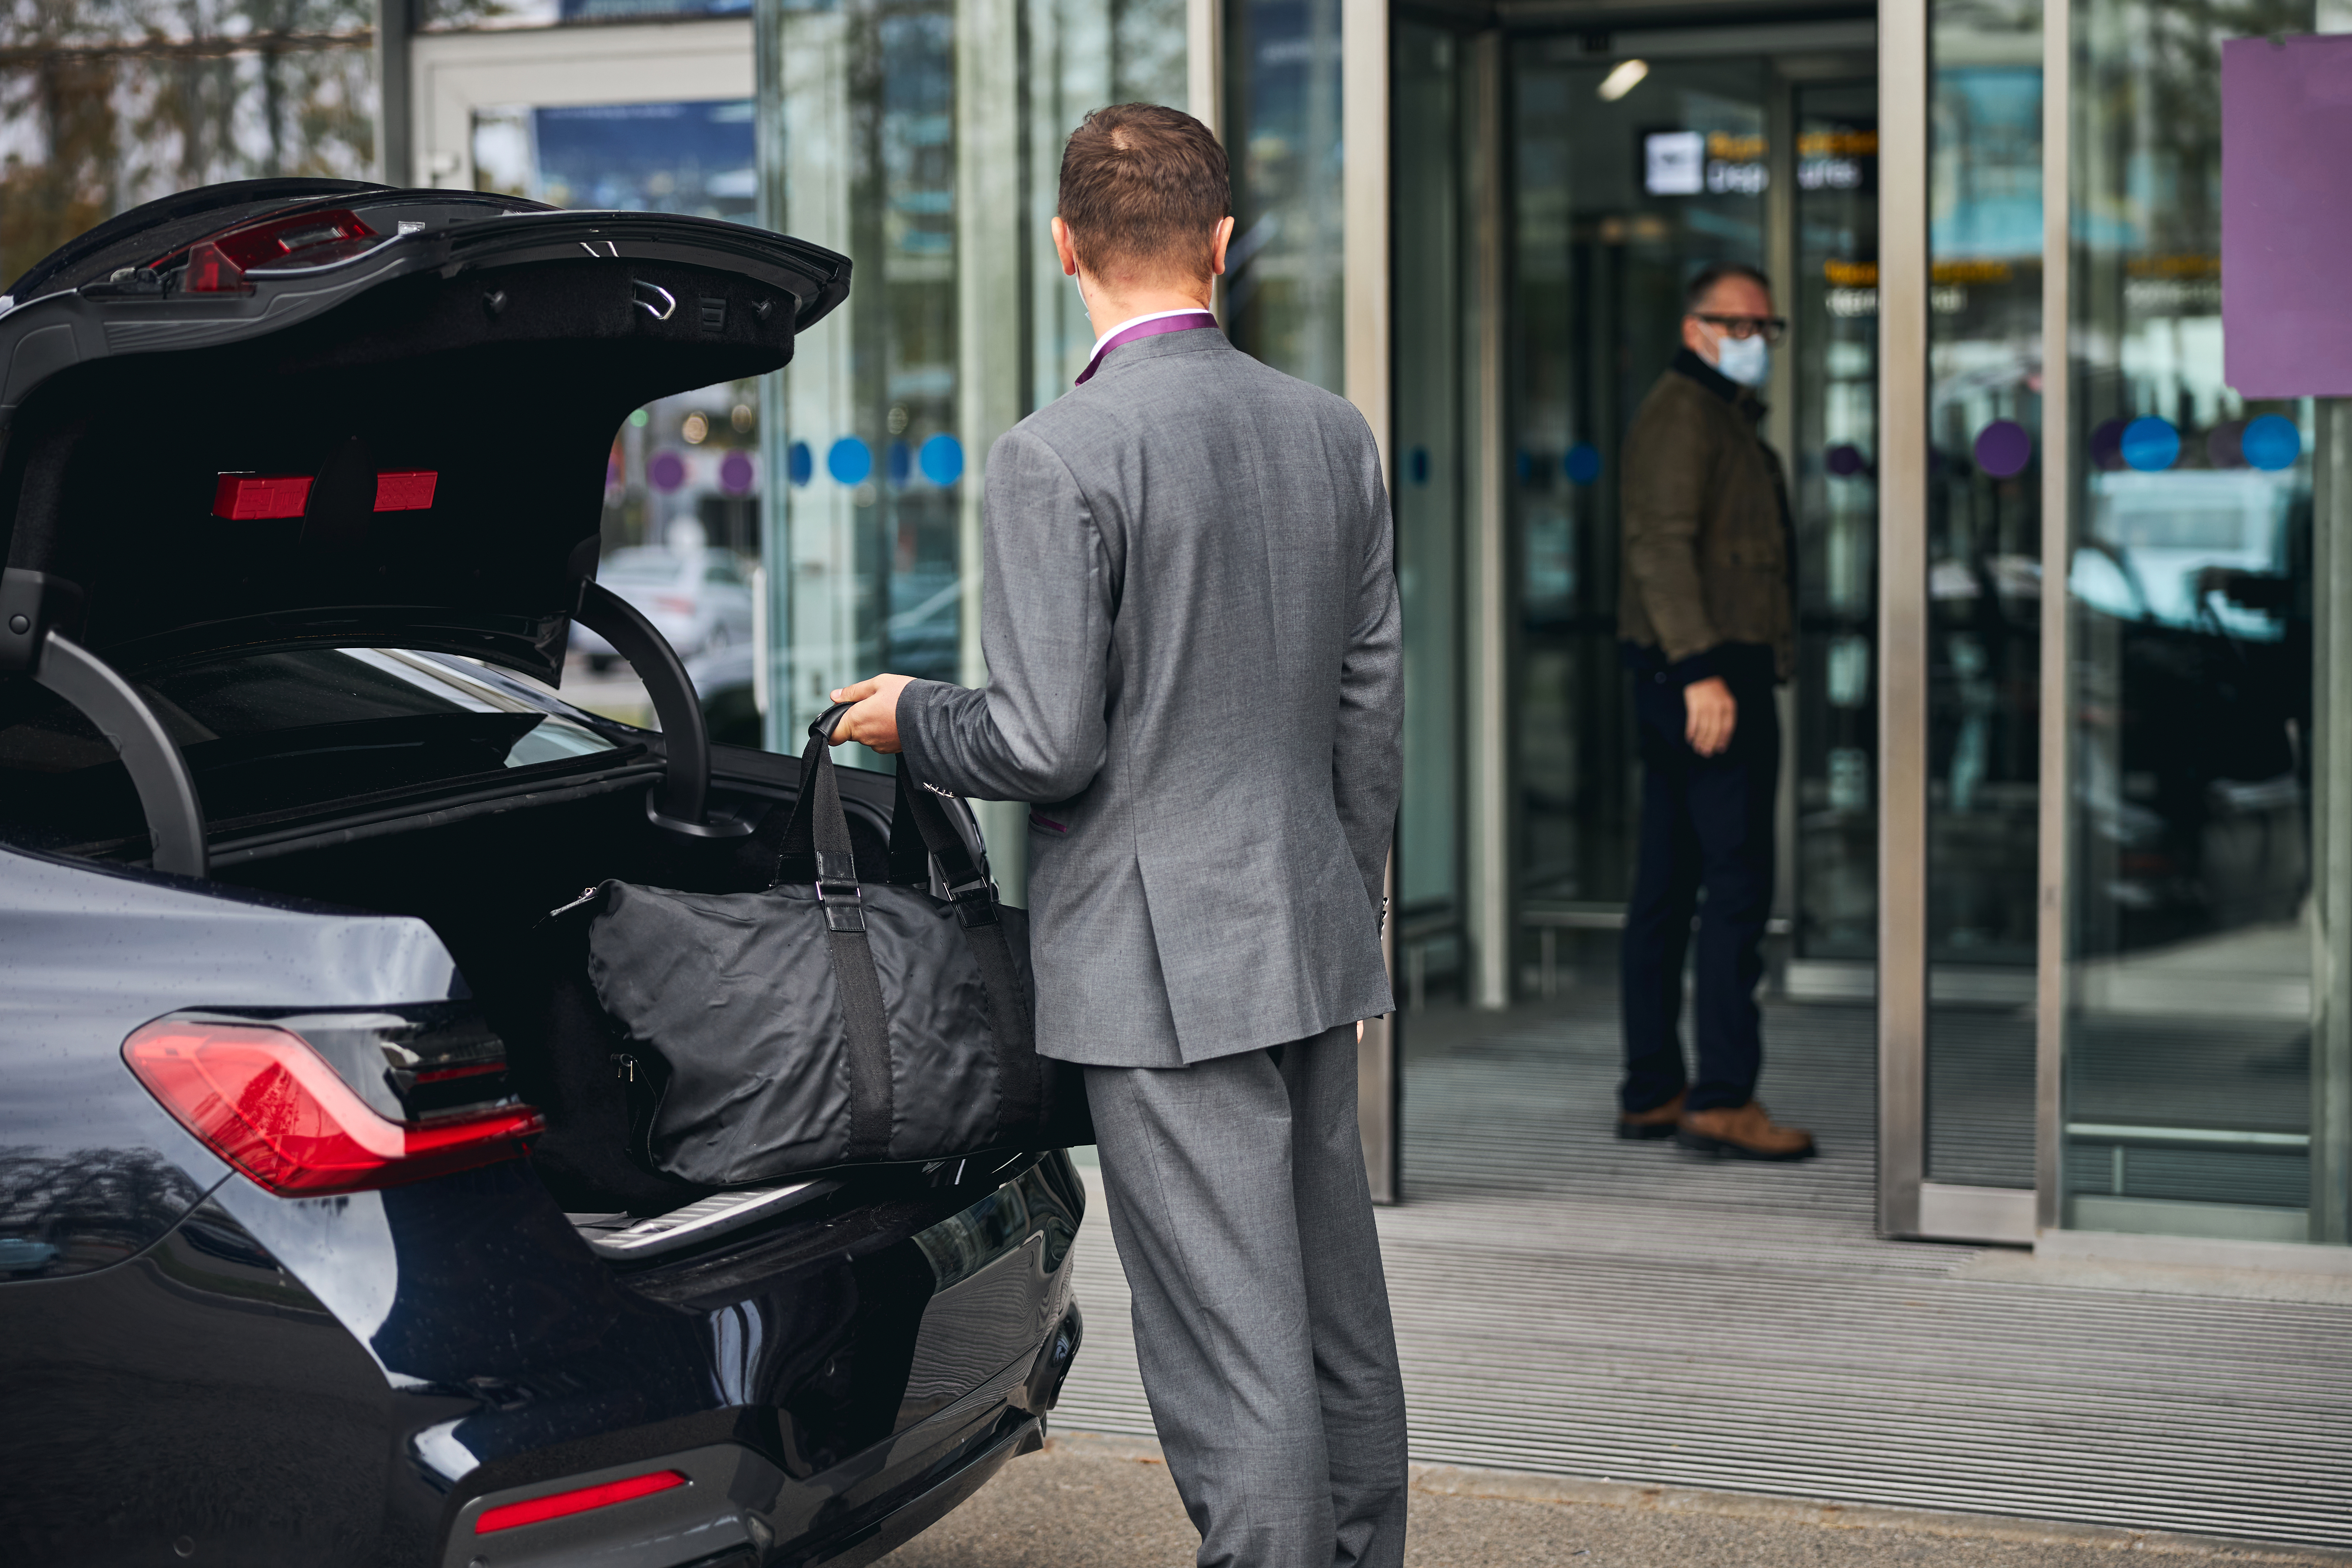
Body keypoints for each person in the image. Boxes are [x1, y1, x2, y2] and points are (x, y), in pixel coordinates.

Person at [824, 103, 1410, 1568]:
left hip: (1159, 965)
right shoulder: (1330, 433)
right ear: (1222, 244)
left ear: (1060, 247)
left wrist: (912, 714)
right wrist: (1339, 896)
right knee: (1333, 1313)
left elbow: (1041, 741)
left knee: (1230, 1349)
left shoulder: (1057, 453)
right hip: (1308, 928)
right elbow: (1369, 707)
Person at [1613, 261, 1816, 1162]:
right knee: (1731, 887)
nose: (1755, 344)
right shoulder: (1682, 416)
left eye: (1765, 331)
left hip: (1698, 672)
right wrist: (1700, 670)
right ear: (1695, 329)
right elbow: (1658, 546)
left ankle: (1655, 1089)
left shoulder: (1715, 416)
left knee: (1669, 883)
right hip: (1703, 676)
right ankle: (1721, 1098)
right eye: (1739, 327)